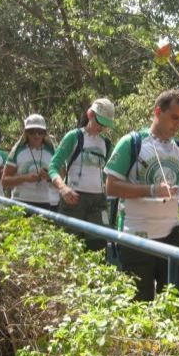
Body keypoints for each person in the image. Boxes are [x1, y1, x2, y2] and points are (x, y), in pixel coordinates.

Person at [104, 89, 179, 302]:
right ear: (157, 112)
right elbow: (111, 187)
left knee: (178, 303)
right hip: (137, 237)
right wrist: (151, 190)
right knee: (137, 305)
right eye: (174, 117)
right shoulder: (132, 142)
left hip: (172, 235)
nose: (178, 124)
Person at [49, 98, 115, 250]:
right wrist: (63, 188)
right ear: (90, 114)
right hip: (73, 199)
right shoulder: (74, 137)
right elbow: (53, 166)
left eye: (106, 124)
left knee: (98, 247)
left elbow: (107, 172)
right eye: (100, 122)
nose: (102, 127)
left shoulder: (106, 144)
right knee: (70, 248)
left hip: (98, 202)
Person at [2, 114, 56, 211]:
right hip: (20, 201)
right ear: (26, 133)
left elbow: (62, 177)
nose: (36, 135)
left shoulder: (52, 152)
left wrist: (49, 177)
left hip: (46, 203)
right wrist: (25, 178)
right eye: (32, 132)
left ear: (45, 133)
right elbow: (4, 181)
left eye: (40, 132)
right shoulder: (18, 152)